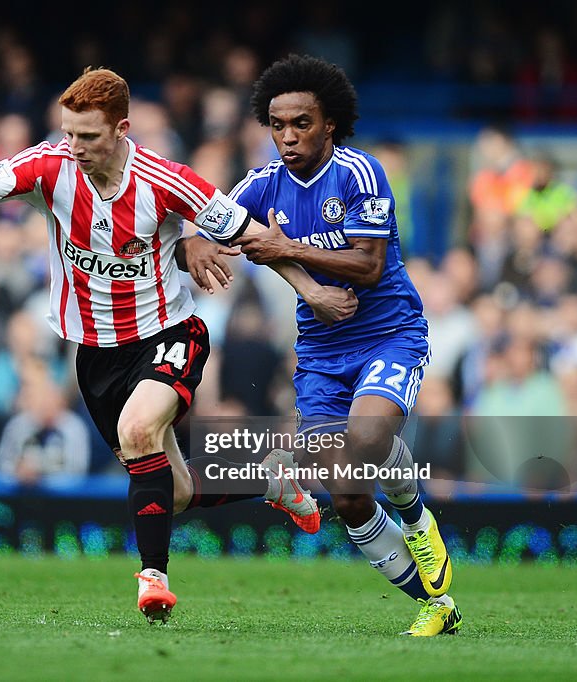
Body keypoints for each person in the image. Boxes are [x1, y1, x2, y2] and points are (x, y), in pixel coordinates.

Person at [0, 67, 356, 622]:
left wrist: (313, 290)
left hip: (168, 335)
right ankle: (270, 479)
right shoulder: (48, 167)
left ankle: (153, 578)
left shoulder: (164, 180)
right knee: (170, 492)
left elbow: (251, 235)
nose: (73, 146)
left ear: (121, 129)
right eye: (67, 132)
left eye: (88, 136)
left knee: (137, 430)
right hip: (96, 355)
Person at [180, 54, 460, 636]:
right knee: (350, 495)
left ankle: (414, 516)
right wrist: (191, 241)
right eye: (278, 126)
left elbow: (367, 264)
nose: (287, 137)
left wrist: (286, 250)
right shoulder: (260, 185)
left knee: (367, 438)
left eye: (301, 123)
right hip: (322, 352)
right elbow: (203, 216)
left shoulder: (359, 173)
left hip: (387, 332)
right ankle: (436, 605)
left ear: (329, 123)